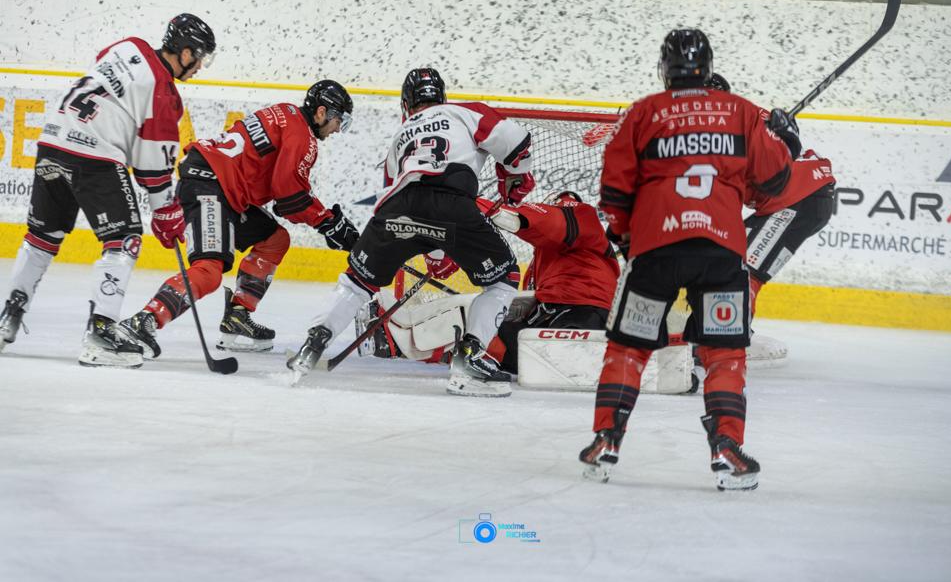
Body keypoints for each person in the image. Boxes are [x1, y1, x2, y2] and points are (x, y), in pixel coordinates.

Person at [580, 28, 796, 490]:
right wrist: (785, 142)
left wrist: (627, 240)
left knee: (628, 348)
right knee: (725, 354)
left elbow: (614, 191)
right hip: (721, 252)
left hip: (655, 250)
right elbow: (775, 181)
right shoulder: (741, 111)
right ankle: (727, 447)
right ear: (708, 65)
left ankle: (606, 440)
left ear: (664, 68)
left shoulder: (643, 112)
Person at [286, 67, 535, 398]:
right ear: (441, 96)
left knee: (357, 282)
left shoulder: (401, 134)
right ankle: (470, 359)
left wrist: (434, 253)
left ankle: (312, 345)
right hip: (452, 205)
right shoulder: (464, 112)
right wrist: (515, 176)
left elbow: (399, 193)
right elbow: (518, 142)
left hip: (395, 210)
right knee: (504, 279)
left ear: (406, 103)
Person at [0, 14, 215, 368]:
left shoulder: (128, 46)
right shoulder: (164, 92)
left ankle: (9, 315)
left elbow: (107, 77)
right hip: (93, 155)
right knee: (124, 241)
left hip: (52, 140)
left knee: (42, 238)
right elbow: (152, 166)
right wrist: (166, 211)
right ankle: (101, 334)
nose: (200, 67)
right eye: (201, 58)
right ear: (187, 52)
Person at [117, 81, 359, 358]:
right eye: (339, 120)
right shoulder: (303, 136)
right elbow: (290, 194)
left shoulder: (286, 113)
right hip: (211, 185)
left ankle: (238, 316)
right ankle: (144, 321)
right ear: (321, 112)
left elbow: (279, 188)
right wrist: (328, 223)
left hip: (223, 187)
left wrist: (322, 219)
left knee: (274, 240)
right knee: (209, 271)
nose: (337, 129)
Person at [707, 73, 836, 321]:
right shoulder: (742, 118)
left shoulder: (722, 128)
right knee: (733, 265)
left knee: (739, 271)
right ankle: (727, 332)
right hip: (803, 196)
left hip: (796, 197)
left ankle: (729, 335)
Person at [479, 190, 620, 374]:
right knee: (485, 335)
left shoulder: (580, 213)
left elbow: (552, 220)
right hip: (552, 315)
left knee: (566, 365)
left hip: (582, 311)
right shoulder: (543, 257)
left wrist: (477, 206)